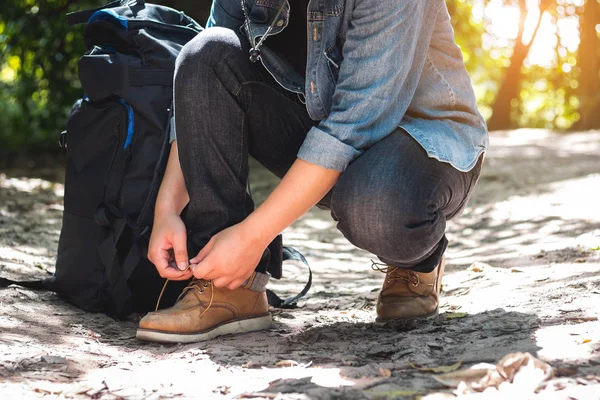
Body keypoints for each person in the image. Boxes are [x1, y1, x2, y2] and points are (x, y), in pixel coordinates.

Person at [135, 0, 488, 343]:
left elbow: (352, 126)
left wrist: (251, 237)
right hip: (319, 124)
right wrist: (166, 210)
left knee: (376, 209)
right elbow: (203, 82)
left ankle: (419, 262)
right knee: (206, 51)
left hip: (424, 138)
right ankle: (231, 288)